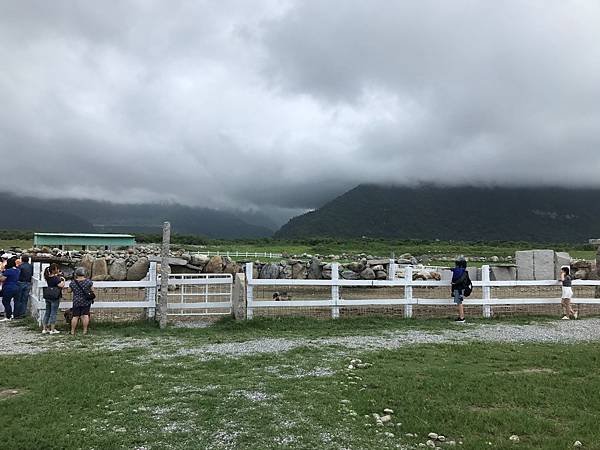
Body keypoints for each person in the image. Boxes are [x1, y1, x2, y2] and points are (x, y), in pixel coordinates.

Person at [69, 267, 94, 335]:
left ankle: (72, 331)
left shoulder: (73, 283)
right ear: (84, 273)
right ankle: (84, 331)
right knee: (85, 315)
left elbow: (69, 291)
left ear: (76, 274)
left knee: (75, 316)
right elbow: (92, 290)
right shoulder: (89, 282)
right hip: (86, 301)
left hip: (76, 301)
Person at [42, 264, 65, 334]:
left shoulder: (48, 277)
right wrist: (63, 280)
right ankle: (52, 329)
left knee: (47, 312)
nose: (58, 270)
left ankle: (44, 329)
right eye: (57, 269)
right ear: (54, 270)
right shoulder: (56, 278)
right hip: (55, 296)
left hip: (48, 296)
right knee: (53, 313)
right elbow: (61, 285)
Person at [0, 256, 21, 321]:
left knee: (6, 301)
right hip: (17, 287)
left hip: (9, 287)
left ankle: (8, 316)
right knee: (16, 302)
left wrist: (1, 273)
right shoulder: (18, 270)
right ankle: (16, 315)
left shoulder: (8, 271)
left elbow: (2, 279)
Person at [450, 256, 469, 323]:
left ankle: (461, 317)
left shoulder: (459, 271)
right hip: (460, 288)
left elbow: (458, 279)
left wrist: (454, 283)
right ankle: (461, 316)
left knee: (459, 303)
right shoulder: (463, 271)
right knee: (459, 302)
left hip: (459, 289)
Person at [15, 255, 33, 319]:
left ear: (22, 260)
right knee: (25, 299)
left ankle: (17, 314)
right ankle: (23, 313)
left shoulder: (20, 266)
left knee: (18, 299)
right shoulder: (31, 266)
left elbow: (17, 275)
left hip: (20, 283)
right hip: (28, 283)